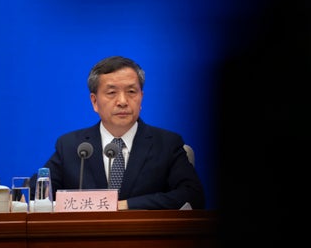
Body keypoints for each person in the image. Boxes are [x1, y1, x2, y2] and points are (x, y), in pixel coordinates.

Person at [31, 55, 205, 210]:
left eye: (131, 92)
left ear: (141, 97)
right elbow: (37, 192)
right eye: (112, 93)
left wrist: (124, 205)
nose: (122, 101)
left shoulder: (167, 144)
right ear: (94, 102)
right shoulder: (71, 146)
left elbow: (192, 196)